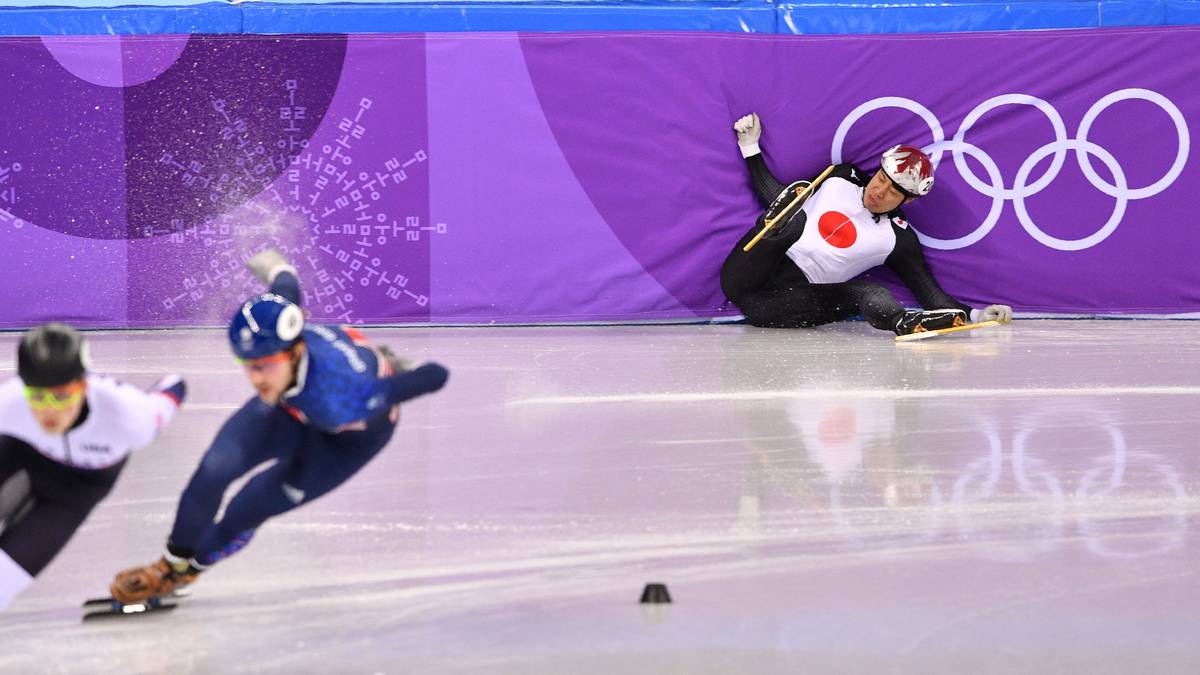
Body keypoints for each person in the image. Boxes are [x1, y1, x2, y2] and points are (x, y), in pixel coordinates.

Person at [110, 250, 450, 603]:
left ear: (293, 351)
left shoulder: (345, 396)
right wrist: (274, 265)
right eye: (247, 364)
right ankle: (170, 566)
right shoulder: (281, 325)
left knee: (246, 508)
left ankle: (190, 572)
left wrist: (396, 376)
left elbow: (436, 376)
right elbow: (285, 282)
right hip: (289, 409)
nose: (255, 378)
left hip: (341, 444)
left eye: (265, 365)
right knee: (215, 469)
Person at [721, 112, 1013, 335]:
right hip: (745, 273)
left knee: (872, 293)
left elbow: (930, 293)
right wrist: (750, 147)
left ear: (908, 201)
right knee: (792, 216)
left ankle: (903, 323)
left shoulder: (898, 239)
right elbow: (781, 199)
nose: (879, 191)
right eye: (881, 179)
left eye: (892, 192)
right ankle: (774, 231)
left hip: (785, 303)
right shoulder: (840, 176)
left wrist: (975, 316)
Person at [0, 323, 184, 610]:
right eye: (37, 396)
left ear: (84, 385)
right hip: (21, 458)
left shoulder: (130, 416)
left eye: (62, 396)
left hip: (74, 494)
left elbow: (173, 388)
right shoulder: (9, 403)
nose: (50, 410)